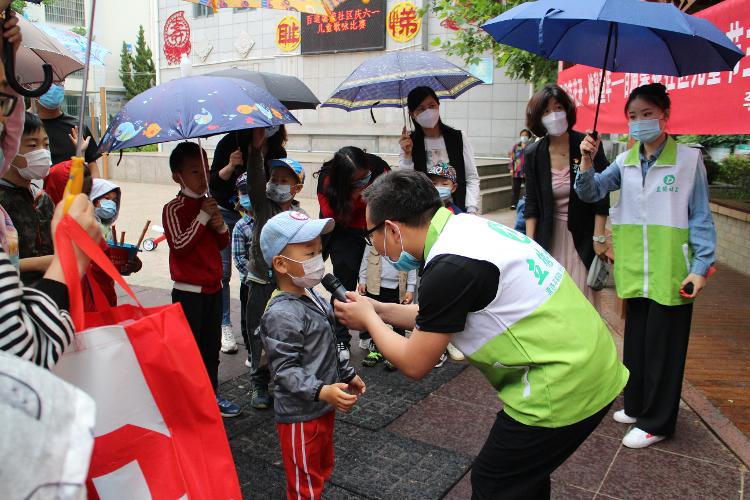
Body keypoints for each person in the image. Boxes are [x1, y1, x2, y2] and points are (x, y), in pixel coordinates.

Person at [334, 170, 628, 499]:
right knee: (525, 478)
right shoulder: (465, 228)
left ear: (390, 228)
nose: (373, 246)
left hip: (563, 384)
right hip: (590, 361)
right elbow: (439, 316)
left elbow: (416, 362)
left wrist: (370, 322)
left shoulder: (449, 267)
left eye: (370, 235)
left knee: (494, 481)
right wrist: (378, 309)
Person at [576, 83, 716, 449]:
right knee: (637, 343)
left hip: (672, 270)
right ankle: (638, 406)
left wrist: (700, 267)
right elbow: (591, 193)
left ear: (665, 116)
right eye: (633, 117)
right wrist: (587, 159)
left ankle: (658, 422)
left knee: (664, 349)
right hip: (635, 269)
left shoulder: (688, 160)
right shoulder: (626, 161)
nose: (639, 123)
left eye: (647, 114)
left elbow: (701, 216)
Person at [258, 210, 365, 500]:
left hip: (321, 405)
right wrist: (323, 390)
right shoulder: (282, 314)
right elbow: (284, 370)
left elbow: (329, 342)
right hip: (300, 415)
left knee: (320, 468)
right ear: (280, 263)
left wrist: (346, 373)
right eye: (309, 253)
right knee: (304, 482)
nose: (319, 259)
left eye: (319, 251)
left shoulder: (313, 294)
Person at [162, 141, 241, 418]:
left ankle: (211, 395)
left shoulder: (209, 203)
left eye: (206, 170)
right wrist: (203, 216)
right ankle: (188, 400)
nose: (203, 177)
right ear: (177, 176)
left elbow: (221, 243)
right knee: (189, 350)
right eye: (195, 172)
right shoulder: (174, 208)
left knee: (210, 348)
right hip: (188, 291)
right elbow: (180, 245)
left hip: (213, 288)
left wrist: (219, 224)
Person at [523, 84, 610, 309]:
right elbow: (531, 202)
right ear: (538, 119)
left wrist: (599, 236)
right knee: (552, 303)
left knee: (582, 300)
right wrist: (530, 245)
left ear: (567, 110)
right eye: (546, 111)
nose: (554, 115)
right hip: (549, 237)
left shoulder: (587, 145)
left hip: (583, 236)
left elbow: (602, 192)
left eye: (558, 107)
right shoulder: (533, 153)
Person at [210, 126, 288, 355]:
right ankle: (225, 324)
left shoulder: (276, 151)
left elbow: (277, 186)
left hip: (260, 216)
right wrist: (231, 165)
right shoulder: (229, 143)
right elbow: (214, 183)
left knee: (260, 274)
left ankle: (261, 333)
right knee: (223, 273)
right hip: (228, 213)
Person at [245, 125, 306, 409]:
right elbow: (255, 180)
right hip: (260, 281)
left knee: (287, 333)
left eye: (285, 179)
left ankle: (286, 380)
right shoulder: (262, 204)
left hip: (288, 285)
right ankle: (259, 382)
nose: (277, 182)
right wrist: (255, 150)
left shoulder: (301, 216)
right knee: (257, 332)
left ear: (297, 188)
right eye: (274, 177)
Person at [315, 146, 390, 359]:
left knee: (374, 283)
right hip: (343, 231)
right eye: (357, 181)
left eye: (366, 175)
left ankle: (372, 333)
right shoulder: (328, 179)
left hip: (373, 227)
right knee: (344, 286)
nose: (365, 181)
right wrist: (355, 198)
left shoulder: (378, 167)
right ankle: (340, 339)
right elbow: (331, 215)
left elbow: (390, 196)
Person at [399, 86, 480, 214]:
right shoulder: (409, 143)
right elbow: (407, 183)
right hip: (424, 214)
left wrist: (471, 210)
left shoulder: (458, 137)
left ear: (438, 105)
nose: (428, 111)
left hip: (457, 212)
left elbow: (471, 177)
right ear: (412, 114)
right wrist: (407, 155)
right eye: (421, 109)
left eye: (432, 106)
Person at [0, 112, 55, 285]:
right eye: (32, 145)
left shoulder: (43, 199)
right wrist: (39, 264)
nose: (42, 152)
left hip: (49, 296)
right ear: (7, 148)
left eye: (45, 145)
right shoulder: (2, 204)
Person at [426, 162, 464, 363]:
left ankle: (451, 340)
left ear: (454, 187)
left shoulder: (458, 215)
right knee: (429, 305)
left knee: (451, 303)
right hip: (428, 267)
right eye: (433, 183)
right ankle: (435, 347)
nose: (438, 186)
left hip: (451, 267)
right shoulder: (423, 213)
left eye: (444, 182)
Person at [357, 243, 416, 370]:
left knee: (398, 322)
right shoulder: (372, 242)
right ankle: (377, 349)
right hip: (375, 287)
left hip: (397, 289)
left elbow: (411, 267)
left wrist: (410, 288)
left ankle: (398, 354)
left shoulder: (404, 242)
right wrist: (362, 280)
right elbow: (365, 260)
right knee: (376, 319)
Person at [86, 179, 142, 308]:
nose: (110, 204)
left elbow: (112, 260)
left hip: (107, 287)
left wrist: (131, 263)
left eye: (113, 201)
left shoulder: (106, 227)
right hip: (90, 290)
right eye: (105, 198)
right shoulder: (84, 224)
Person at [36, 83, 101, 178]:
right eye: (46, 83)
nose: (52, 88)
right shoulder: (28, 127)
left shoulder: (78, 127)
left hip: (74, 189)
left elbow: (92, 164)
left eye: (57, 83)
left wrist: (95, 189)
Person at [231, 172, 255, 369]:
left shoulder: (270, 219)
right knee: (249, 320)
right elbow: (239, 258)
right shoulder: (240, 226)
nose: (247, 196)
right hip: (249, 283)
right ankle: (251, 351)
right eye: (243, 192)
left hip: (271, 282)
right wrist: (255, 275)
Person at [508, 129, 531, 209]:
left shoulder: (531, 146)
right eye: (522, 135)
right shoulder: (516, 146)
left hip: (528, 171)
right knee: (515, 189)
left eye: (525, 135)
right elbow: (512, 158)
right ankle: (514, 204)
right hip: (517, 171)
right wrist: (511, 169)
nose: (524, 137)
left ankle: (526, 204)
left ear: (529, 137)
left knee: (528, 189)